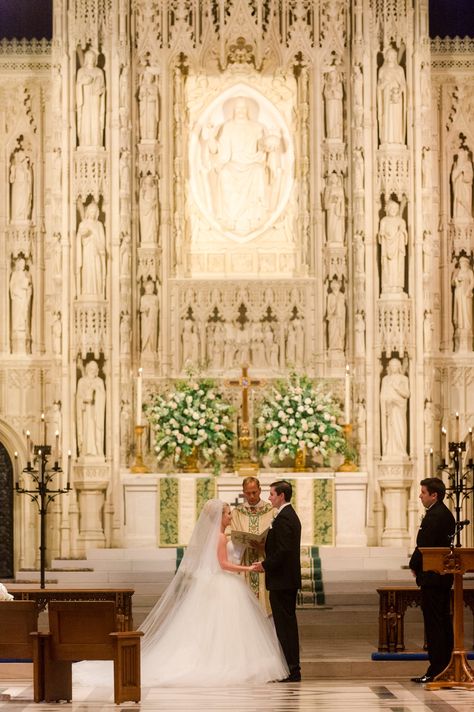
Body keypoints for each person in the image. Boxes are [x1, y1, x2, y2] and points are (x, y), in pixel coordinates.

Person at [74, 499, 288, 687]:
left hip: (213, 584)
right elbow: (223, 565)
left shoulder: (216, 536)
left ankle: (215, 660)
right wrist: (248, 569)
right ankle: (225, 663)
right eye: (228, 513)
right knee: (223, 626)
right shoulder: (221, 537)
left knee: (210, 629)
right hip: (222, 583)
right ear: (220, 517)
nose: (231, 516)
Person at [254, 480, 302, 682]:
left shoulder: (284, 518)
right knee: (285, 625)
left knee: (285, 626)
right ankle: (291, 668)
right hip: (285, 580)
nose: (269, 497)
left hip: (282, 581)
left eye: (272, 494)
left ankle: (292, 669)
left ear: (282, 495)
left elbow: (283, 550)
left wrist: (264, 565)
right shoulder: (287, 516)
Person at [409, 478, 455, 684]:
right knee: (442, 622)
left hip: (433, 576)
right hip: (440, 576)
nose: (420, 496)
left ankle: (437, 669)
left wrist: (414, 565)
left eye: (423, 492)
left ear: (433, 495)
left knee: (435, 624)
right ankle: (445, 666)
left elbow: (424, 546)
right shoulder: (444, 514)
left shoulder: (435, 516)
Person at [231, 477, 275, 615]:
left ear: (260, 490)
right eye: (247, 493)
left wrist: (265, 545)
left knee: (266, 602)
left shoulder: (271, 510)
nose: (251, 496)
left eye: (254, 492)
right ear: (243, 492)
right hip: (245, 559)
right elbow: (230, 535)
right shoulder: (237, 512)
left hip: (265, 559)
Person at [380, 357, 410, 457]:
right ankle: (389, 452)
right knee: (390, 431)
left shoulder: (404, 378)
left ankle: (401, 451)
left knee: (399, 429)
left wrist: (397, 389)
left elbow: (407, 394)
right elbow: (382, 395)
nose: (393, 367)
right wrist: (386, 403)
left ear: (399, 367)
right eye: (391, 365)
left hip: (399, 408)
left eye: (395, 365)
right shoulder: (385, 379)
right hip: (389, 408)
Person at [76, 200, 106, 299]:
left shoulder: (99, 225)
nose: (93, 214)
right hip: (87, 252)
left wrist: (94, 234)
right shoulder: (83, 224)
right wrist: (86, 234)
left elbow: (102, 242)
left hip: (96, 252)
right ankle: (86, 293)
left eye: (95, 211)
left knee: (97, 270)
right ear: (88, 212)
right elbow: (80, 238)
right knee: (87, 271)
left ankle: (98, 293)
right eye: (91, 211)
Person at [76, 49, 105, 148]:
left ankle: (96, 142)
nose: (91, 59)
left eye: (93, 57)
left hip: (95, 100)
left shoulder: (99, 71)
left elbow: (103, 88)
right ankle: (84, 143)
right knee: (86, 119)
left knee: (95, 118)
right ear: (86, 59)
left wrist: (100, 90)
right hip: (85, 101)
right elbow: (78, 85)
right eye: (89, 57)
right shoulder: (81, 71)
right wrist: (82, 83)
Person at [76, 360, 106, 458]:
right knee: (86, 429)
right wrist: (84, 399)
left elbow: (103, 396)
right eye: (91, 369)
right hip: (85, 411)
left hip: (95, 411)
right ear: (87, 369)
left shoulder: (99, 381)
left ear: (97, 370)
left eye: (95, 369)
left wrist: (96, 392)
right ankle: (84, 450)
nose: (92, 371)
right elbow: (78, 397)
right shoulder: (82, 381)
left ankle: (97, 450)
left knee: (96, 429)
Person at [377, 47, 406, 145]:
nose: (391, 57)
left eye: (393, 55)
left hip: (397, 99)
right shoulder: (382, 70)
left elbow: (403, 85)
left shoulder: (400, 69)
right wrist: (386, 82)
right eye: (389, 55)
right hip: (386, 98)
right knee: (387, 116)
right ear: (386, 57)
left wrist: (398, 93)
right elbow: (379, 87)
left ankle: (397, 140)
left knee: (396, 117)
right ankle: (386, 139)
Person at [378, 199, 407, 294]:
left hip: (397, 250)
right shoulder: (384, 220)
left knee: (397, 266)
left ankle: (397, 286)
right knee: (387, 267)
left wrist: (402, 233)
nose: (394, 210)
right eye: (392, 208)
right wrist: (383, 234)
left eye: (396, 208)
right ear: (387, 209)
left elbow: (404, 233)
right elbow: (380, 234)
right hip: (387, 248)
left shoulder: (401, 221)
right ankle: (387, 287)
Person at [451, 147, 473, 223]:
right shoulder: (456, 165)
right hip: (458, 189)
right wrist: (459, 170)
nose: (461, 156)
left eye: (462, 154)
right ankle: (457, 216)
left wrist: (464, 173)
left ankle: (467, 215)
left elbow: (470, 177)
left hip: (466, 188)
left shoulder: (468, 164)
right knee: (458, 204)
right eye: (459, 155)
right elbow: (453, 177)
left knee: (466, 202)